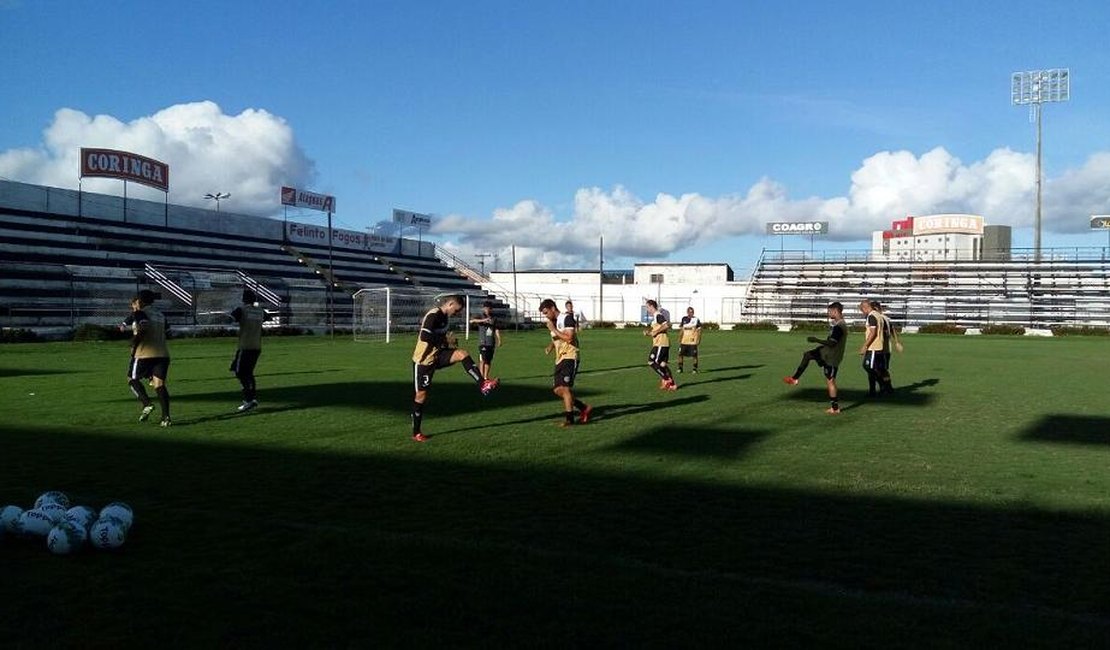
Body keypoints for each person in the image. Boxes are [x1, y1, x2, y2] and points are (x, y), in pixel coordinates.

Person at [410, 294, 499, 442]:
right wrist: (443, 340)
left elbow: (438, 339)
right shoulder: (434, 315)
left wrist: (447, 343)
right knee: (421, 396)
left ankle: (483, 384)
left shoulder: (445, 318)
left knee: (462, 354)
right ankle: (416, 432)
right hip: (423, 361)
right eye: (456, 310)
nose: (456, 313)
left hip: (437, 356)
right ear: (450, 304)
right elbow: (425, 337)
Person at [783, 302, 849, 414]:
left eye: (829, 311)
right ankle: (794, 379)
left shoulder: (839, 327)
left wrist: (816, 340)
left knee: (830, 381)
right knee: (808, 355)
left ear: (835, 311)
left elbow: (832, 344)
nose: (828, 314)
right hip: (825, 353)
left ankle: (835, 408)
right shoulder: (838, 324)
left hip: (831, 357)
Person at [121, 290, 172, 427]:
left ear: (140, 301)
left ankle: (147, 404)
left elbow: (143, 326)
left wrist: (134, 341)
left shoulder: (140, 313)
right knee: (159, 385)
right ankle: (166, 417)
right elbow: (168, 330)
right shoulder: (161, 315)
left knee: (131, 379)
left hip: (144, 353)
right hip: (162, 354)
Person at [539, 298, 592, 427]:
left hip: (570, 356)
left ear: (552, 308)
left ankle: (570, 419)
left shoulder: (567, 318)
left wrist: (554, 329)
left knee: (565, 388)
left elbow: (569, 338)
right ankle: (583, 407)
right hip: (559, 358)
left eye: (546, 312)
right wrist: (551, 346)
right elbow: (557, 337)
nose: (546, 316)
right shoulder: (553, 322)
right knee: (557, 390)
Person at [230, 289, 272, 412]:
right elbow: (267, 318)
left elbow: (232, 318)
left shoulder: (241, 310)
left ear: (244, 299)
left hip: (245, 346)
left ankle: (249, 399)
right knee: (249, 373)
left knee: (239, 372)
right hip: (257, 346)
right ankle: (251, 398)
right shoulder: (260, 311)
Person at [859, 300, 893, 396]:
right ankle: (874, 391)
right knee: (876, 369)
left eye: (862, 310)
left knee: (868, 367)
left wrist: (865, 346)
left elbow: (873, 332)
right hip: (879, 347)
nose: (862, 313)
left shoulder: (872, 316)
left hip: (874, 347)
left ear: (865, 307)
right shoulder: (879, 316)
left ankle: (883, 386)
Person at [644, 299, 676, 390]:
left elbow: (666, 325)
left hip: (660, 343)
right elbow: (657, 330)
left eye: (647, 307)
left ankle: (666, 379)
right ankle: (673, 385)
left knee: (651, 362)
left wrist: (656, 331)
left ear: (651, 306)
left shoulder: (658, 315)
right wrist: (649, 333)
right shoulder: (656, 316)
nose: (647, 309)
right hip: (662, 342)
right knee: (662, 364)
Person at [468, 300, 502, 381]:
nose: (487, 310)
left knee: (488, 360)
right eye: (486, 308)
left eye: (489, 308)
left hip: (491, 343)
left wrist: (499, 340)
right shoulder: (480, 316)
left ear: (491, 309)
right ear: (483, 309)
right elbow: (471, 321)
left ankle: (486, 377)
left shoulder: (494, 318)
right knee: (482, 359)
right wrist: (483, 320)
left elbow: (496, 329)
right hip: (483, 342)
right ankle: (481, 377)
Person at [677, 306, 702, 374]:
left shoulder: (696, 319)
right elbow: (682, 329)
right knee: (680, 354)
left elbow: (699, 330)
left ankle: (694, 368)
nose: (691, 313)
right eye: (690, 312)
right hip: (684, 341)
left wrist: (699, 339)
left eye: (692, 312)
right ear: (687, 312)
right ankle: (680, 368)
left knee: (694, 356)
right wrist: (679, 337)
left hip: (692, 341)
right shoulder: (684, 319)